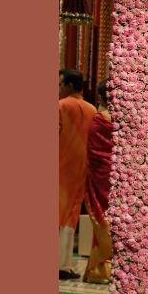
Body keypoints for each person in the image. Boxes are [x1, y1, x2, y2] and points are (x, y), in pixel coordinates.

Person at [59, 68, 97, 280]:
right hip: (81, 171)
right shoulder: (92, 110)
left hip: (60, 167)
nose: (58, 89)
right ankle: (63, 265)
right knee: (70, 216)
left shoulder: (61, 106)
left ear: (70, 86)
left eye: (60, 84)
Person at [83, 79, 113, 284]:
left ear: (101, 97)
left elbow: (94, 154)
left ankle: (100, 270)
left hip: (101, 178)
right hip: (123, 177)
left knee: (102, 218)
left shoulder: (98, 120)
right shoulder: (126, 121)